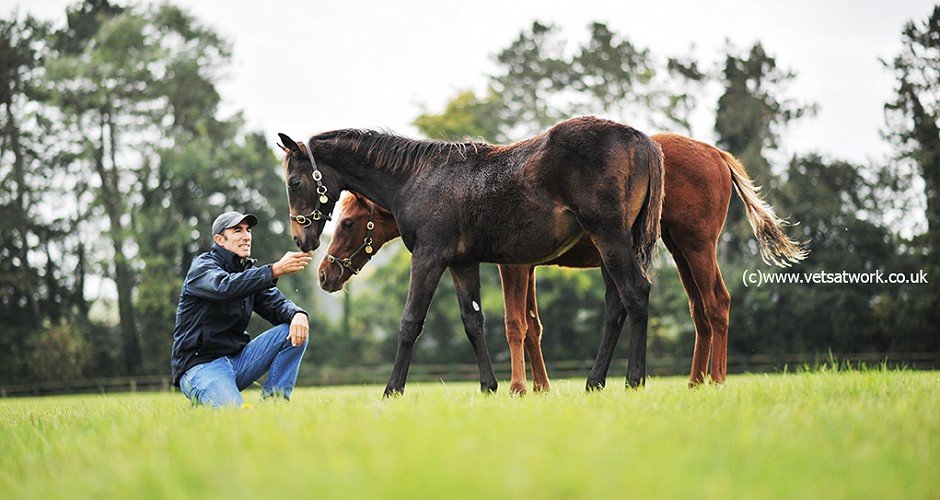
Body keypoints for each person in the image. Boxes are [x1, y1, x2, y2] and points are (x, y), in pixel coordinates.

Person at [171, 211, 314, 407]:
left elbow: (278, 305)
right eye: (237, 230)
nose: (246, 236)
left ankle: (274, 406)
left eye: (248, 230)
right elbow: (225, 287)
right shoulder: (202, 268)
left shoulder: (249, 274)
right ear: (220, 239)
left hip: (238, 362)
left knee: (294, 330)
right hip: (200, 366)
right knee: (235, 416)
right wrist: (274, 270)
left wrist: (298, 314)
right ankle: (207, 394)